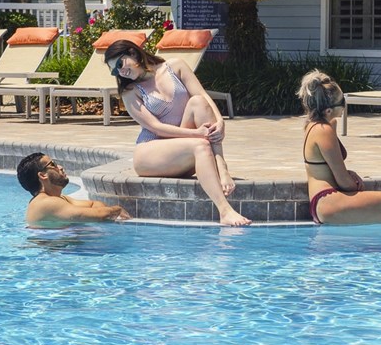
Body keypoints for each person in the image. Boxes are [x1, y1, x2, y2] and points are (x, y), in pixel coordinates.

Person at [102, 39, 250, 227]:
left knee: (198, 102)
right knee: (200, 145)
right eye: (115, 71)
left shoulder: (175, 66)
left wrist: (220, 122)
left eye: (120, 64)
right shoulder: (130, 92)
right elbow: (156, 127)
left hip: (180, 146)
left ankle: (222, 167)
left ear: (133, 53)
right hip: (151, 152)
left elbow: (203, 95)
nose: (121, 72)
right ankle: (225, 211)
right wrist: (197, 134)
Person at [298, 70, 381, 225]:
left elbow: (329, 168)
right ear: (328, 110)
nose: (344, 106)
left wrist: (348, 173)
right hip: (329, 201)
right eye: (342, 102)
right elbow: (343, 182)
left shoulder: (314, 125)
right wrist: (355, 183)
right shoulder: (323, 130)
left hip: (324, 201)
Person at [17, 152, 131, 226]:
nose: (60, 167)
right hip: (53, 255)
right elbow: (98, 215)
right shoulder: (46, 203)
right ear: (42, 175)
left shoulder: (60, 199)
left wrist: (101, 213)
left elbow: (95, 205)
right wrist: (117, 209)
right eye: (53, 165)